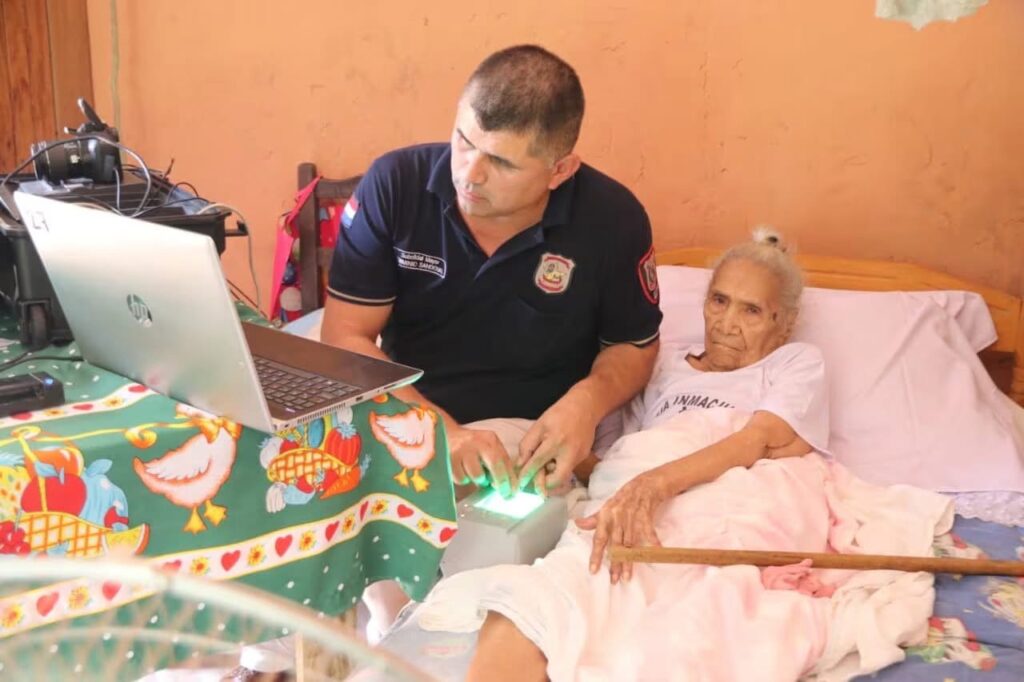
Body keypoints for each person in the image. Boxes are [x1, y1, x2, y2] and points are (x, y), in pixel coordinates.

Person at [320, 45, 663, 637]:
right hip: (403, 408)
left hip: (521, 434)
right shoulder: (397, 184)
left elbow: (634, 346)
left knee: (448, 559)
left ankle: (398, 640)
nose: (469, 174)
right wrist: (440, 430)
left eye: (502, 163)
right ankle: (295, 653)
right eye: (463, 141)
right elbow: (346, 335)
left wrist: (585, 404)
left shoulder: (612, 219)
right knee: (299, 481)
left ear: (560, 170)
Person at [450, 229, 837, 680]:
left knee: (690, 626)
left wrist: (652, 486)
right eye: (719, 301)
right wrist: (557, 456)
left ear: (783, 322)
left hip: (720, 505)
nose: (727, 323)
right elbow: (616, 460)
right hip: (628, 508)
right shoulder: (663, 365)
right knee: (529, 607)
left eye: (751, 311)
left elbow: (759, 440)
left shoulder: (794, 362)